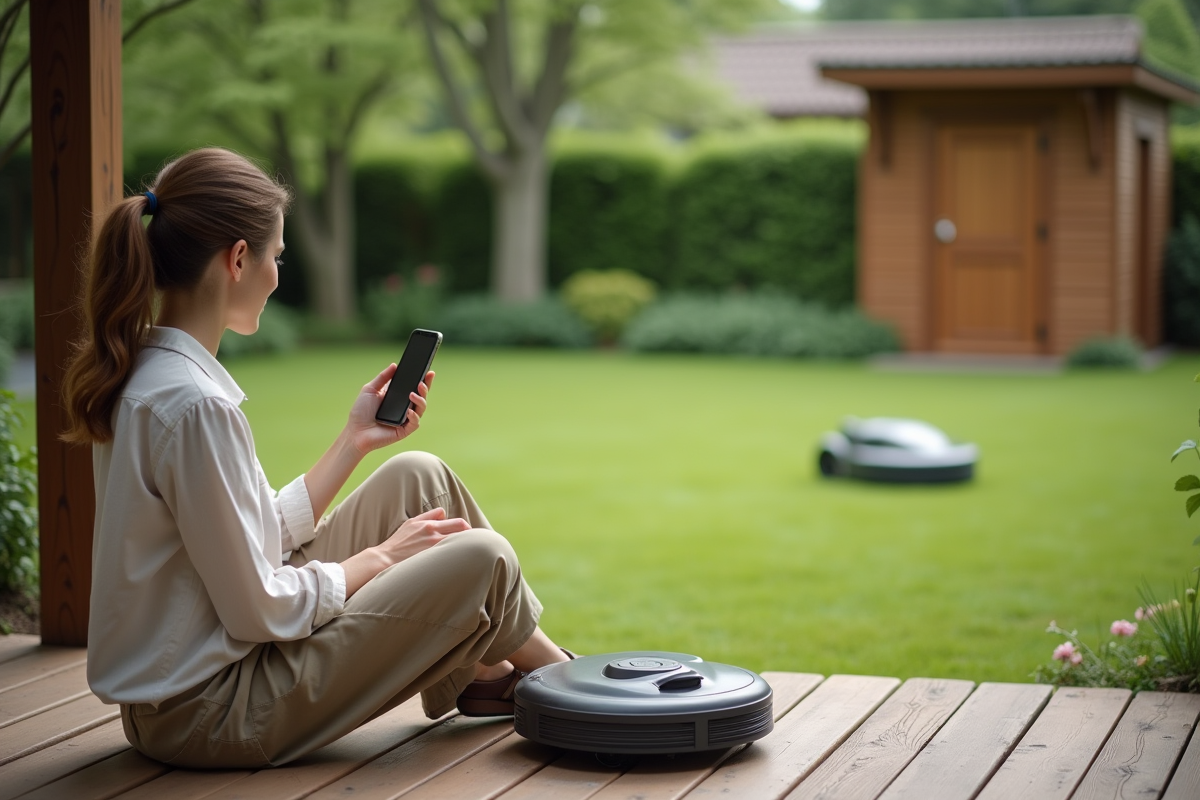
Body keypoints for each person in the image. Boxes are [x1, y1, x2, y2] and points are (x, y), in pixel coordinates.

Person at [60, 147, 571, 769]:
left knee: (420, 476)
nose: (278, 273)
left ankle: (492, 675)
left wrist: (354, 440)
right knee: (484, 558)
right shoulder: (195, 407)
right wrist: (382, 558)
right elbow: (260, 607)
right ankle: (568, 688)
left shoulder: (154, 373)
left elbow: (242, 543)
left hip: (201, 678)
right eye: (276, 255)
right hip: (211, 710)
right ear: (238, 259)